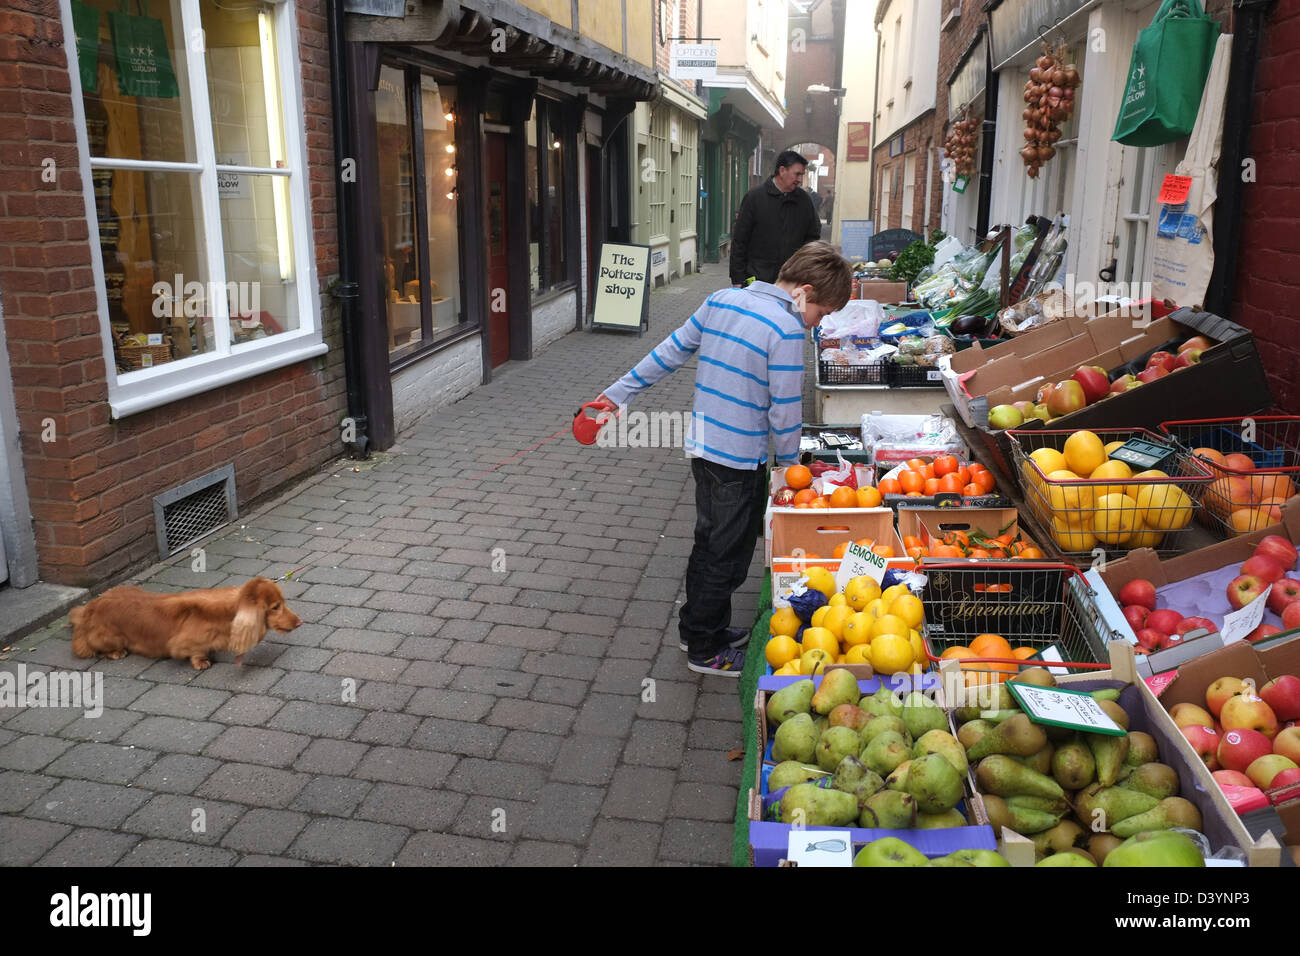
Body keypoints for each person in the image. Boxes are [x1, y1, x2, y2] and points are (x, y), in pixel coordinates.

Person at [590, 242, 852, 677]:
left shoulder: (722, 298)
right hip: (740, 458)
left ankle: (699, 626)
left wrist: (620, 392)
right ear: (804, 292)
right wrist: (788, 469)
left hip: (705, 450)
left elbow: (672, 350)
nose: (817, 323)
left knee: (710, 541)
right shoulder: (786, 329)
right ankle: (704, 649)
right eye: (822, 313)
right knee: (726, 553)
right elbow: (784, 409)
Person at [729, 150, 823, 288]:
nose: (800, 180)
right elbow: (739, 240)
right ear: (782, 170)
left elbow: (813, 236)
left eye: (802, 175)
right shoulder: (755, 198)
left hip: (793, 280)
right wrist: (737, 278)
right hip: (757, 281)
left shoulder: (804, 201)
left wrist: (804, 268)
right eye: (797, 174)